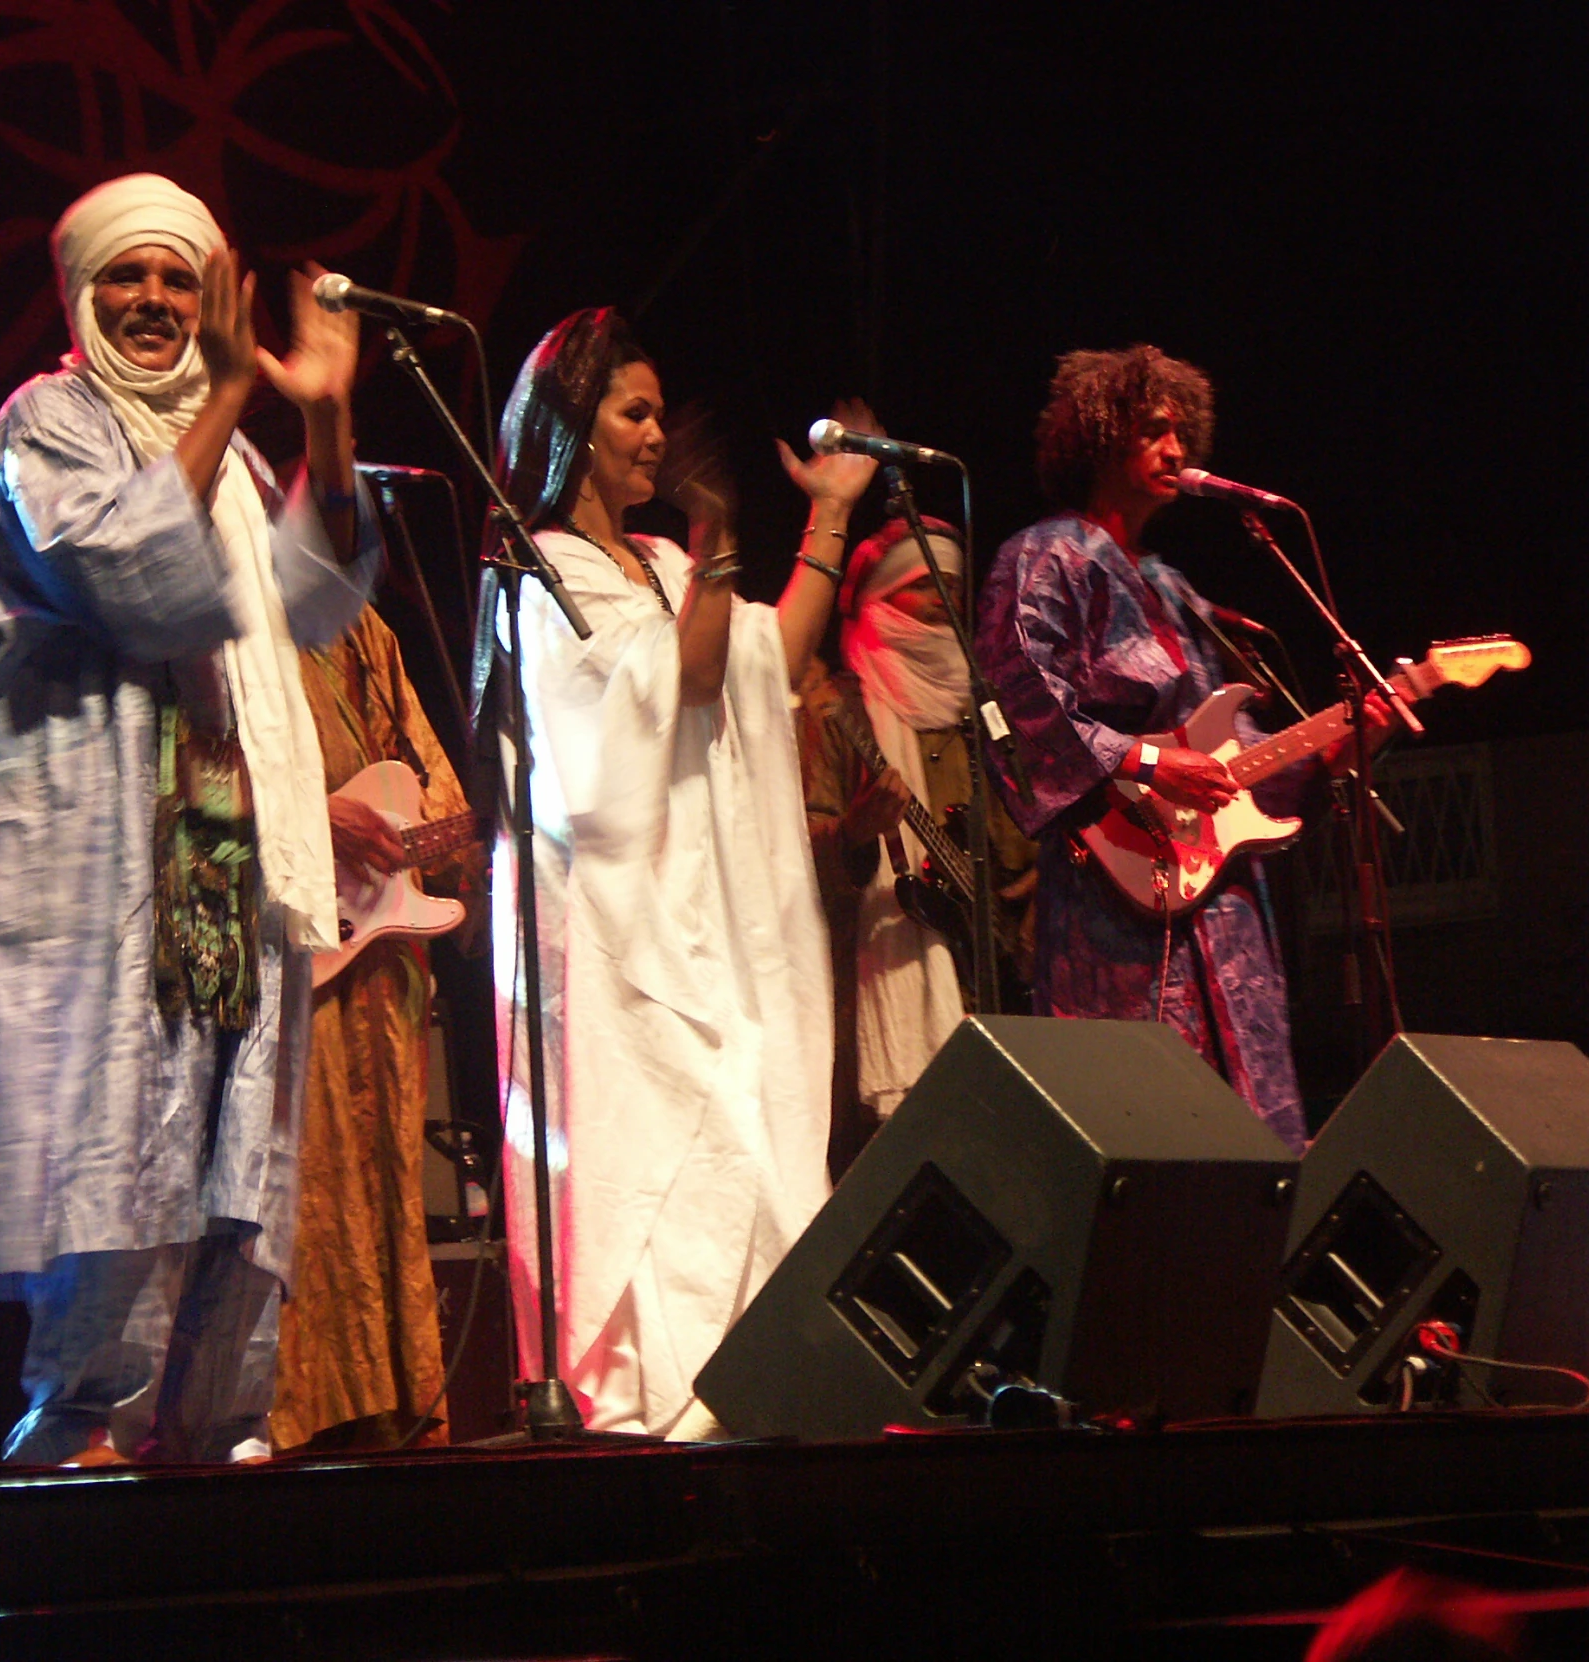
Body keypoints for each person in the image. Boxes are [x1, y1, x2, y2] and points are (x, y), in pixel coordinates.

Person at [0, 173, 378, 1464]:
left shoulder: (232, 458)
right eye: (127, 277)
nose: (151, 301)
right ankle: (75, 1508)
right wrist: (239, 385)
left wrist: (329, 421)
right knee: (123, 1194)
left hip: (236, 876)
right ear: (81, 293)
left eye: (176, 279)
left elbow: (318, 601)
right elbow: (126, 571)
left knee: (240, 1204)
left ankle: (211, 1459)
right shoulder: (46, 427)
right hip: (109, 888)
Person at [473, 307, 876, 1435]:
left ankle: (741, 1392)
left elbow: (764, 659)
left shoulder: (656, 561)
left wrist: (827, 520)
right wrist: (716, 542)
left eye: (658, 413)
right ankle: (646, 1407)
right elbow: (683, 683)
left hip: (706, 922)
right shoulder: (539, 571)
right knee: (651, 1150)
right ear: (570, 424)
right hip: (613, 933)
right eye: (632, 412)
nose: (654, 435)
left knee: (746, 1124)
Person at [976, 345, 1316, 1152]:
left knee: (1251, 1143)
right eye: (1152, 431)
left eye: (1180, 432)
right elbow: (1021, 707)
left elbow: (1229, 744)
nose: (1176, 450)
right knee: (1151, 1136)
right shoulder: (1045, 555)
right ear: (1100, 436)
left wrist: (1337, 742)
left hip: (1217, 898)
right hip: (1116, 901)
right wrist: (1153, 763)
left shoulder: (1172, 587)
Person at [272, 605, 483, 1452]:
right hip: (284, 959)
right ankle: (293, 1420)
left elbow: (442, 797)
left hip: (383, 975)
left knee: (386, 1186)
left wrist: (461, 839)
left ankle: (396, 1410)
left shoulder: (370, 632)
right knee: (302, 1192)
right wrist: (308, 816)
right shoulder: (227, 618)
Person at [797, 520, 1037, 1173]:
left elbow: (1029, 833)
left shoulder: (980, 710)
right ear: (878, 599)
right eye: (921, 585)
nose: (941, 601)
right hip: (876, 978)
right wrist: (854, 830)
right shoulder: (837, 708)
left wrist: (1047, 882)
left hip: (994, 984)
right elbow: (795, 852)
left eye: (952, 587)